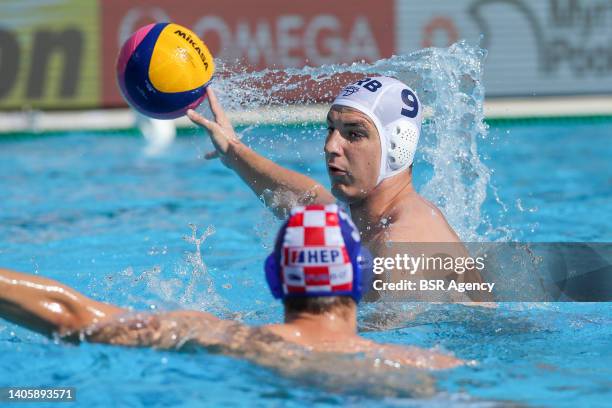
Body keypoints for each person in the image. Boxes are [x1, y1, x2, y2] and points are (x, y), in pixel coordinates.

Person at [0, 205, 461, 372]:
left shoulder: (229, 338)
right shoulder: (426, 364)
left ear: (273, 278)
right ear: (361, 278)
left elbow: (71, 316)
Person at [187, 77, 488, 301]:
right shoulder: (377, 214)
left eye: (353, 134)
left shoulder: (398, 249)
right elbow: (306, 199)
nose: (331, 146)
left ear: (398, 147)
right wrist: (233, 151)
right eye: (331, 129)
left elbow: (369, 354)